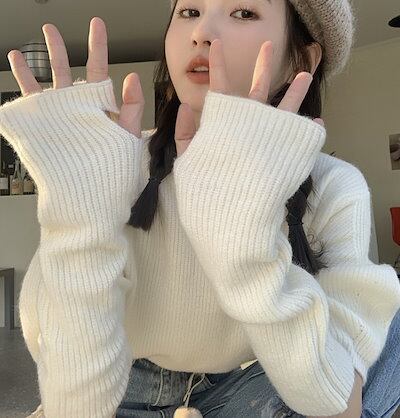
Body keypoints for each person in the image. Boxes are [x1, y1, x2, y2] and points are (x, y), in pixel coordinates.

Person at [0, 0, 399, 417]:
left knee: (387, 326)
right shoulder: (112, 163)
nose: (202, 33)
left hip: (248, 385)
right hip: (118, 383)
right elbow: (74, 406)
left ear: (301, 59)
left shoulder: (333, 185)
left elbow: (338, 406)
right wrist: (82, 223)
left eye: (243, 13)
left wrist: (243, 246)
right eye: (189, 12)